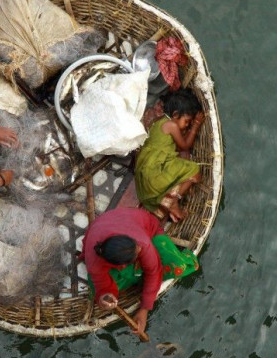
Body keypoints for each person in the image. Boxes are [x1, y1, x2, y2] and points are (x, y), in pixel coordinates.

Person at [82, 208, 199, 335]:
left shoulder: (140, 242)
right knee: (97, 287)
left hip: (147, 229)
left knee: (176, 265)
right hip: (104, 227)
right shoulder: (94, 262)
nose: (139, 249)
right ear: (123, 264)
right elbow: (102, 287)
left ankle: (141, 277)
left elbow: (154, 271)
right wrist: (104, 297)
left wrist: (144, 309)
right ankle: (138, 277)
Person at [134, 89, 204, 222]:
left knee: (180, 165)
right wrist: (195, 126)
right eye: (187, 121)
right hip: (154, 175)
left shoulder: (159, 121)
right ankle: (173, 201)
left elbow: (174, 146)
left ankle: (162, 207)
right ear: (176, 114)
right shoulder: (172, 125)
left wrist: (188, 127)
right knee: (194, 170)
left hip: (144, 178)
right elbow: (184, 146)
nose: (187, 126)